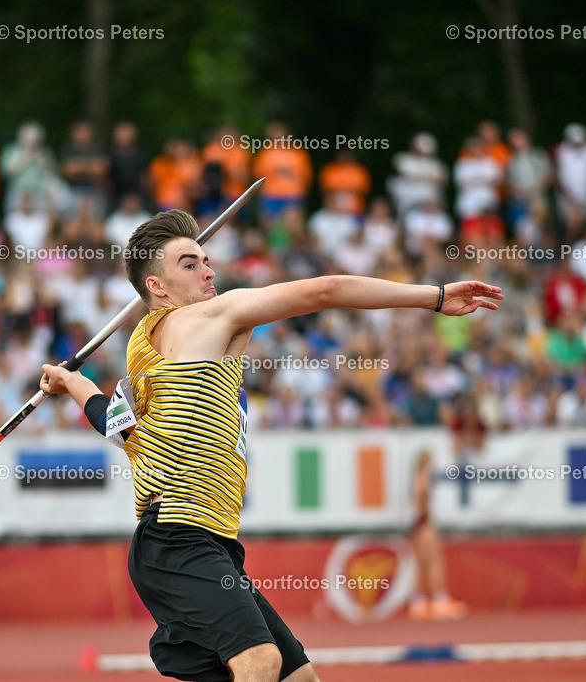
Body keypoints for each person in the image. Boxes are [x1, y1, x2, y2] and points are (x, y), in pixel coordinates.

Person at [39, 209, 502, 681]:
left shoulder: (142, 349)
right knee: (260, 661)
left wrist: (71, 381)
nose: (208, 271)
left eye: (205, 260)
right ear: (157, 286)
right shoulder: (211, 315)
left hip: (205, 542)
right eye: (189, 264)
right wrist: (434, 296)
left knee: (299, 678)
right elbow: (327, 290)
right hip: (177, 538)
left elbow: (116, 426)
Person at [407, 451, 467, 620]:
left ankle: (418, 602)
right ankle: (440, 600)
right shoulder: (422, 479)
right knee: (435, 562)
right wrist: (426, 516)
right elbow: (420, 497)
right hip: (425, 525)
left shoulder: (418, 479)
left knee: (421, 564)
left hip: (419, 526)